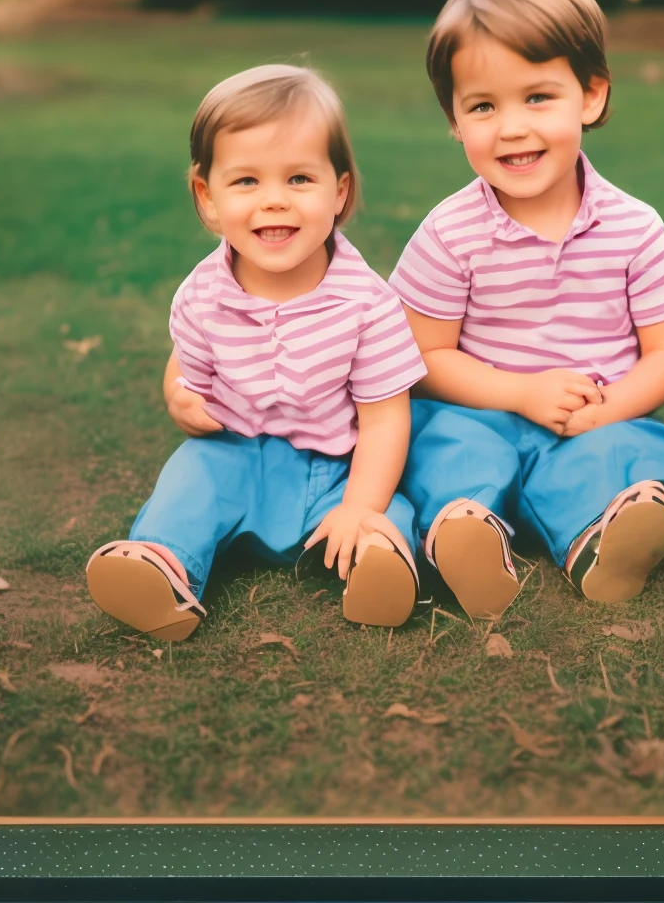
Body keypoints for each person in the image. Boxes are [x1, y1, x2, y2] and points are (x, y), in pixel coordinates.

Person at [390, 0, 664, 619]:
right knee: (448, 448)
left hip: (587, 420)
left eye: (537, 97)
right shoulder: (450, 232)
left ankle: (600, 544)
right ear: (455, 120)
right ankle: (468, 534)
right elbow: (423, 359)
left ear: (592, 96)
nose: (511, 127)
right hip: (480, 411)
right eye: (483, 106)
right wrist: (518, 391)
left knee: (618, 456)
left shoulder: (633, 227)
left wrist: (606, 409)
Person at [85, 64, 428, 640]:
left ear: (339, 191)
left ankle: (381, 567)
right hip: (236, 454)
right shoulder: (201, 295)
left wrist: (359, 505)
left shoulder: (368, 302)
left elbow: (387, 416)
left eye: (299, 179)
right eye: (246, 182)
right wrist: (178, 397)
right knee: (191, 478)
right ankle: (164, 570)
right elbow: (187, 365)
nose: (274, 202)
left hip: (337, 468)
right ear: (208, 197)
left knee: (389, 510)